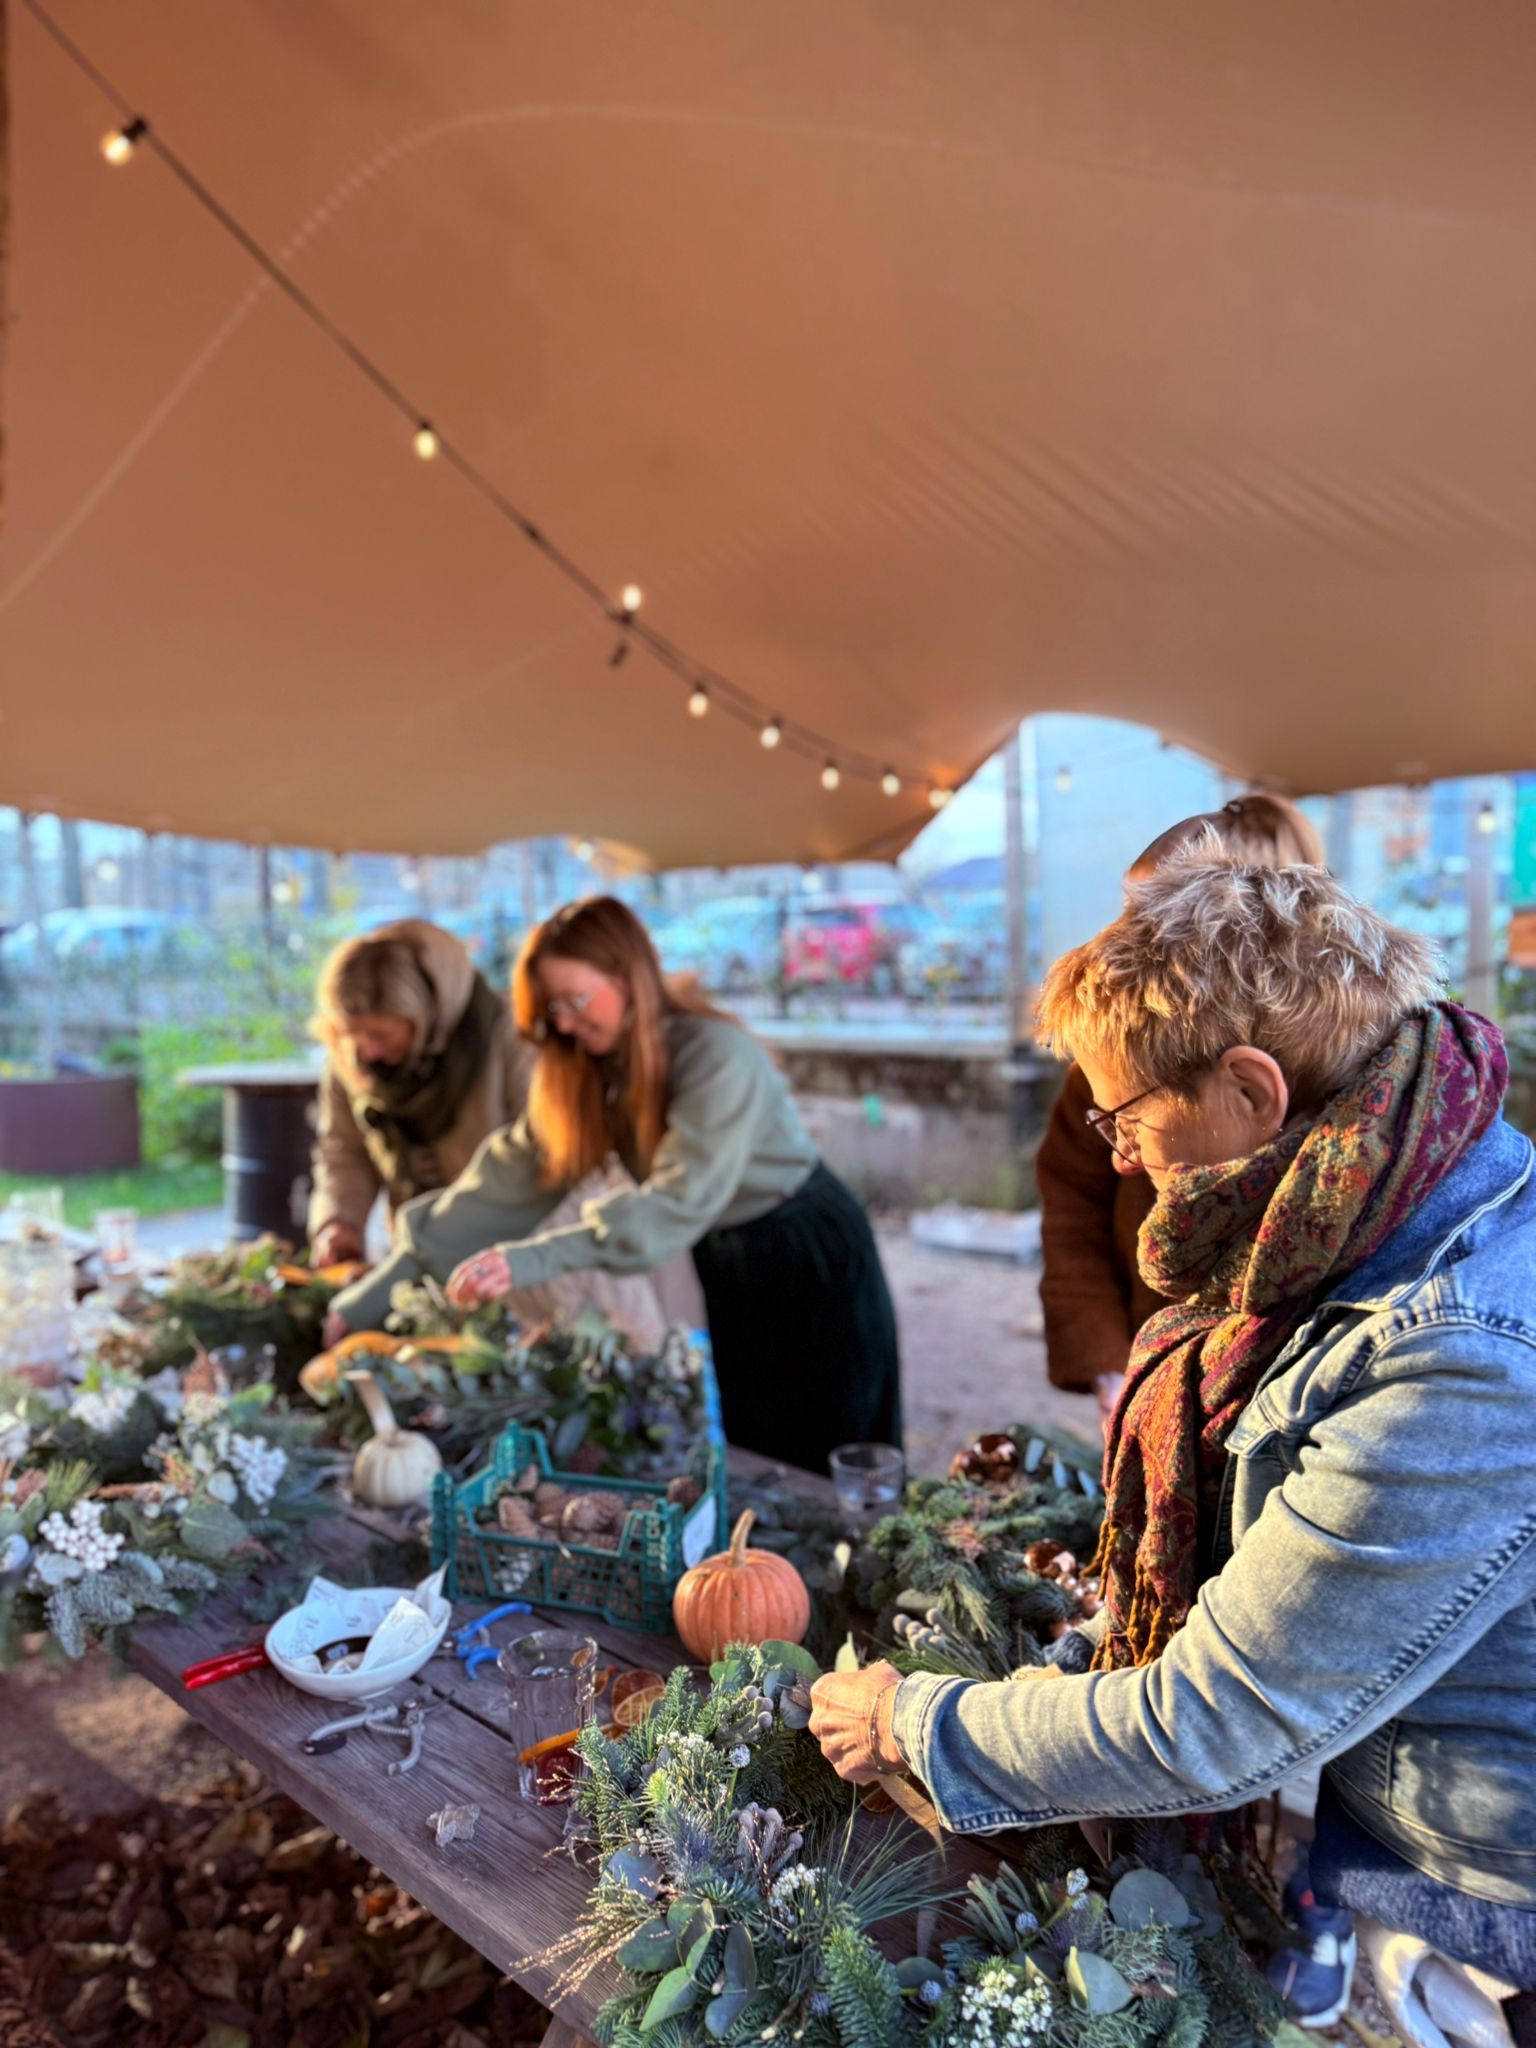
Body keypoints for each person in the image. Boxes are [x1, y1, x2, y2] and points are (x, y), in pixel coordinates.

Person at [811, 851, 1536, 2009]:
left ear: (1252, 1090)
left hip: (1489, 1893)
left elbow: (1221, 1714)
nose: (1116, 1149)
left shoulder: (1457, 1354)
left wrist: (918, 1720)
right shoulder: (1361, 1208)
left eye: (1124, 1113)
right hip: (1395, 1806)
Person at [328, 897, 902, 1471]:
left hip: (807, 1252)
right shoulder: (590, 1072)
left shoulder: (717, 1057)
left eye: (575, 999)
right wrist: (369, 1300)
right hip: (727, 1256)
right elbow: (503, 1183)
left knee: (838, 1450)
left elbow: (671, 1206)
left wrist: (528, 1260)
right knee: (754, 1442)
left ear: (630, 977)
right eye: (552, 1007)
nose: (564, 1022)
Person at [1036, 794, 1325, 1431]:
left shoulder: (1335, 1083)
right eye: (1130, 913)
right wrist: (1109, 1360)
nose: (1122, 941)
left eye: (1157, 918)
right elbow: (1071, 1205)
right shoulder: (1109, 1066)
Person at [308, 919, 525, 1267]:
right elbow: (344, 1150)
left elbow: (539, 1160)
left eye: (382, 1035)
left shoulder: (510, 1038)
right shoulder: (351, 1057)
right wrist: (338, 1222)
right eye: (353, 1034)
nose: (369, 1052)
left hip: (507, 1259)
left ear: (425, 1018)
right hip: (413, 1257)